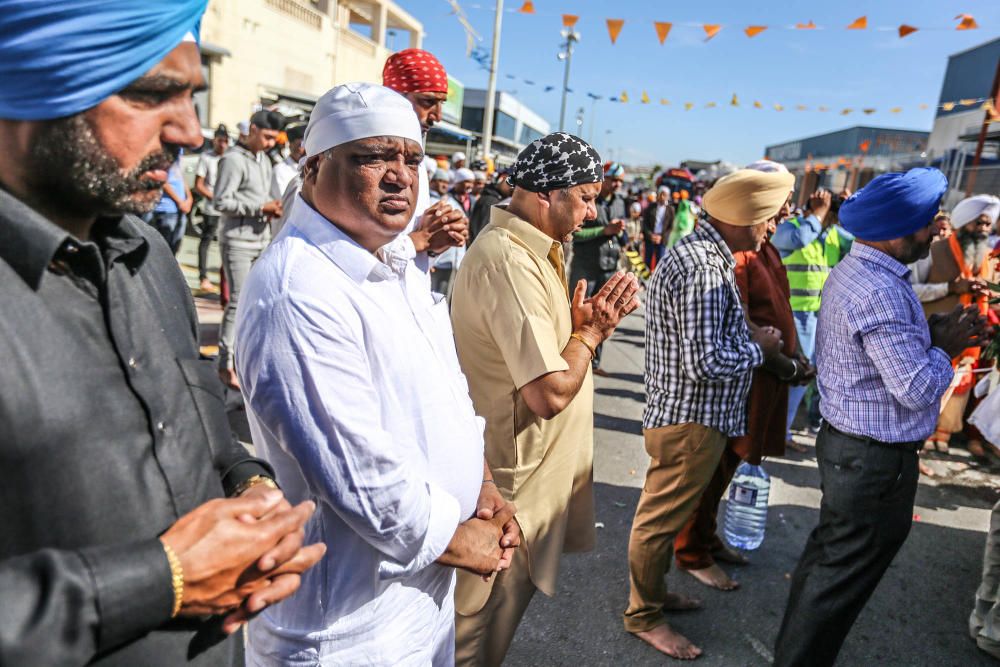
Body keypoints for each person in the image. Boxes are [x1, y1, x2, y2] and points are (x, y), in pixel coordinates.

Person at [0, 3, 325, 664]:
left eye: (192, 97)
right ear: (30, 83)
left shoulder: (146, 254)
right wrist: (163, 578)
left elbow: (204, 439)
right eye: (150, 95)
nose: (190, 131)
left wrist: (252, 492)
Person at [234, 82, 519, 666]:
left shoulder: (399, 265)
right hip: (347, 631)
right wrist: (461, 537)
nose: (400, 176)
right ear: (314, 166)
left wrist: (483, 487)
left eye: (412, 159)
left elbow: (445, 395)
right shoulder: (297, 290)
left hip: (418, 603)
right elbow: (359, 473)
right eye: (373, 157)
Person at [773, 168, 989, 667]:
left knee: (830, 567)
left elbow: (885, 360)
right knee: (837, 582)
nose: (938, 229)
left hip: (854, 450)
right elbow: (914, 389)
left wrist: (929, 337)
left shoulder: (866, 271)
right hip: (872, 462)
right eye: (928, 221)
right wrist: (948, 349)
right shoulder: (880, 290)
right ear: (896, 231)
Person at [451, 132, 640, 666]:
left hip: (525, 482)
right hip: (511, 493)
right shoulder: (509, 261)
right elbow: (550, 391)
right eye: (585, 196)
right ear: (545, 195)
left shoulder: (536, 250)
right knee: (474, 640)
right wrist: (591, 336)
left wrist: (573, 330)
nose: (592, 209)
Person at [624, 169, 790, 660]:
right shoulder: (704, 268)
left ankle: (651, 597)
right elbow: (706, 362)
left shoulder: (707, 256)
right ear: (749, 217)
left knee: (661, 521)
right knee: (656, 526)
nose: (774, 224)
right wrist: (759, 348)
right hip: (690, 421)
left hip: (692, 417)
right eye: (770, 216)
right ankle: (643, 616)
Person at [674, 160, 814, 592]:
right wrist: (785, 363)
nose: (786, 211)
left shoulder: (765, 244)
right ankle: (691, 550)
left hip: (765, 374)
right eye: (778, 203)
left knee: (729, 467)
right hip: (745, 380)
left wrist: (799, 354)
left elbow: (781, 310)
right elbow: (743, 328)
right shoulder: (736, 253)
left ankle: (707, 537)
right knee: (713, 468)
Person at [910, 194, 1000, 454]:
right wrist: (949, 288)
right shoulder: (932, 250)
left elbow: (996, 295)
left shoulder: (987, 259)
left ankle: (941, 434)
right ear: (963, 223)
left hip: (968, 343)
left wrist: (987, 292)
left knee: (956, 389)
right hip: (931, 337)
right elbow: (911, 290)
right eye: (978, 223)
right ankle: (917, 442)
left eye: (987, 224)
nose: (983, 229)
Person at [381, 48, 469, 288]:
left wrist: (436, 242)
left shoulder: (417, 165)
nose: (437, 116)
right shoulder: (367, 164)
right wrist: (419, 240)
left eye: (441, 104)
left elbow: (410, 252)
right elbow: (349, 255)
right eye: (428, 102)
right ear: (395, 96)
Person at [772, 188, 855, 441]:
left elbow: (863, 244)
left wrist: (854, 213)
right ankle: (778, 433)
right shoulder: (791, 228)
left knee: (808, 375)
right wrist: (817, 215)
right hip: (792, 313)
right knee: (795, 373)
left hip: (820, 316)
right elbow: (798, 240)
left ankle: (783, 430)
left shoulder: (832, 235)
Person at [214, 108, 285, 389]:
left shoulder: (264, 160)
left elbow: (265, 196)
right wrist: (259, 207)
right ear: (252, 129)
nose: (270, 143)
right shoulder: (232, 160)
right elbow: (220, 202)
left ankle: (245, 357)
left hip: (260, 238)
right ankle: (225, 363)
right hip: (237, 240)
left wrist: (272, 207)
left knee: (257, 300)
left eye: (273, 139)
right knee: (238, 300)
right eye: (266, 137)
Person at [570, 161, 629, 376]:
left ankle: (594, 362)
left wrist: (621, 234)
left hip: (609, 264)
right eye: (613, 180)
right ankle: (571, 360)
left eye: (620, 182)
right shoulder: (588, 201)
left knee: (603, 315)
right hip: (586, 264)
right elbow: (576, 234)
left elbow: (621, 235)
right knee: (578, 313)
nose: (617, 185)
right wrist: (604, 230)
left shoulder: (621, 203)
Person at [194, 124, 230, 291]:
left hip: (228, 208)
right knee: (206, 241)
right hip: (212, 208)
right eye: (219, 141)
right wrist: (214, 198)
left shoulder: (230, 157)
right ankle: (203, 275)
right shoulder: (206, 158)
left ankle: (225, 281)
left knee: (226, 244)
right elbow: (199, 185)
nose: (222, 144)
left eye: (225, 141)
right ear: (214, 140)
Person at [143, 154, 192, 254]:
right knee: (162, 252)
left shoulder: (179, 151)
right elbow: (162, 180)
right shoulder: (165, 151)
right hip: (166, 208)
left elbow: (180, 177)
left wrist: (189, 198)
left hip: (179, 208)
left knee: (173, 249)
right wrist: (179, 202)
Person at [268, 122, 305, 236]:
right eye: (299, 145)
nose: (302, 149)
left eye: (305, 145)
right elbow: (286, 203)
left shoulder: (307, 169)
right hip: (283, 229)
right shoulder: (281, 170)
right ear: (290, 145)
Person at [468, 167, 513, 243]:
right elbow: (479, 234)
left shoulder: (498, 199)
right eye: (511, 181)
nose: (513, 187)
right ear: (503, 178)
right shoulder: (489, 201)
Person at [642, 185, 673, 269]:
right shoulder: (651, 207)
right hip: (650, 238)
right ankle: (646, 279)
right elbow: (645, 223)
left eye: (665, 195)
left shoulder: (670, 210)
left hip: (661, 240)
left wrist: (661, 237)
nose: (663, 197)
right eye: (661, 194)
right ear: (658, 195)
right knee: (647, 260)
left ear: (668, 196)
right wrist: (650, 235)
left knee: (660, 262)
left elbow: (670, 227)